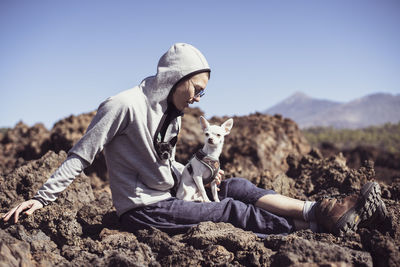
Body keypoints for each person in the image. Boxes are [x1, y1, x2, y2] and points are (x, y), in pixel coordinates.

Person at [2, 43, 387, 237]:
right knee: (227, 212)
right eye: (197, 88)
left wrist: (199, 171)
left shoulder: (173, 113)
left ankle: (316, 210)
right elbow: (81, 155)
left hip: (171, 193)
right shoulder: (122, 105)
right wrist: (42, 196)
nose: (200, 97)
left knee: (234, 185)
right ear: (177, 77)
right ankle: (316, 231)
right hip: (144, 210)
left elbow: (164, 163)